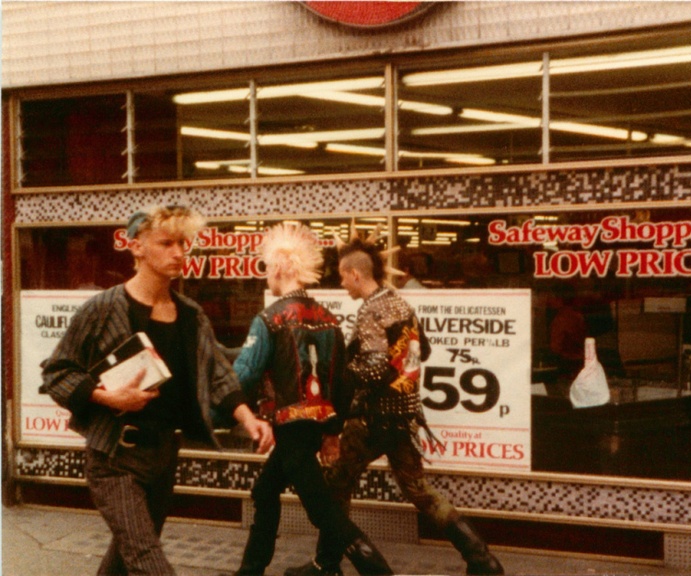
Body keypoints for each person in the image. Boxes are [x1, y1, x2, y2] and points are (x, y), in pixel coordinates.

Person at [42, 205, 274, 575]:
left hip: (164, 455)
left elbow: (216, 373)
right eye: (166, 243)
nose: (179, 252)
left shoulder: (190, 314)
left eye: (184, 243)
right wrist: (107, 397)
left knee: (126, 557)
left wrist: (248, 419)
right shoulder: (102, 309)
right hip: (115, 458)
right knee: (149, 561)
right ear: (136, 247)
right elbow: (56, 373)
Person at [287, 233, 504, 576]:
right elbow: (422, 352)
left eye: (343, 277)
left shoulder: (373, 310)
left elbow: (372, 367)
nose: (342, 284)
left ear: (356, 275)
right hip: (403, 417)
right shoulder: (401, 305)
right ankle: (482, 559)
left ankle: (328, 564)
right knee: (420, 491)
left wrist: (339, 379)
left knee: (335, 484)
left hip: (372, 418)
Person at [231, 223, 393, 576]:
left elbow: (244, 375)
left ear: (277, 267)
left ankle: (378, 571)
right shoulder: (329, 319)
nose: (266, 276)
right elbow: (341, 384)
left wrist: (222, 396)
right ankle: (249, 570)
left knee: (322, 510)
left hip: (288, 428)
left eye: (266, 268)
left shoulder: (269, 319)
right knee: (265, 491)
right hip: (314, 425)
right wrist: (332, 431)